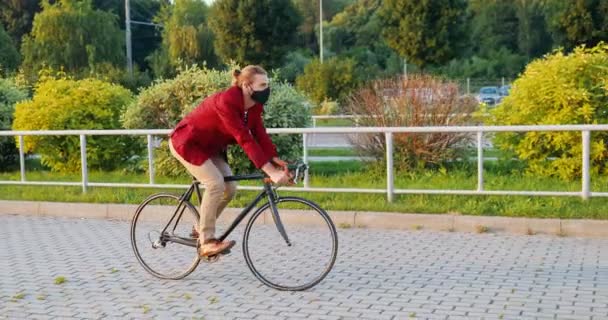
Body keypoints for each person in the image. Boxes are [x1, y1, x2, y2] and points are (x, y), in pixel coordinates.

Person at [168, 65, 291, 258]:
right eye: (263, 84)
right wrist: (271, 172)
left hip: (210, 148)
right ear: (247, 86)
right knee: (215, 183)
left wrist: (273, 160)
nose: (267, 89)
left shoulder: (254, 106)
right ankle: (207, 241)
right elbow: (244, 138)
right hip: (187, 143)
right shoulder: (226, 101)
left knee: (230, 187)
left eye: (268, 84)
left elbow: (259, 134)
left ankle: (199, 228)